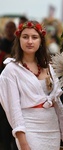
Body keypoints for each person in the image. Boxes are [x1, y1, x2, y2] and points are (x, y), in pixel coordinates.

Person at [0, 20, 63, 150]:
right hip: (29, 129)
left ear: (40, 41)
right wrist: (23, 143)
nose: (30, 41)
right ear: (19, 40)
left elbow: (57, 104)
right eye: (25, 37)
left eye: (34, 37)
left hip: (52, 129)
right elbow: (13, 109)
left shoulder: (49, 68)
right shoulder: (11, 70)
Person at [0, 20, 18, 150]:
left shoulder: (17, 43)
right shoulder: (1, 42)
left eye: (12, 27)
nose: (10, 29)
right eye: (8, 27)